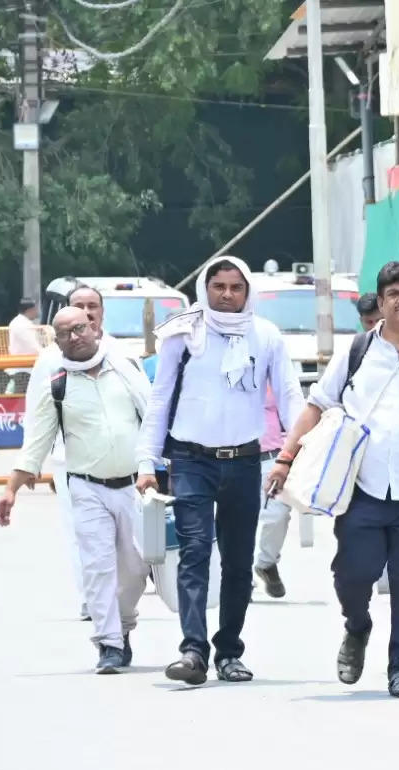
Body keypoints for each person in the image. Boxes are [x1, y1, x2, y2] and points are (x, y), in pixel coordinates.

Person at [266, 262, 399, 700]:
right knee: (353, 573)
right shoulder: (358, 351)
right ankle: (357, 626)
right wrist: (286, 458)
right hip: (361, 489)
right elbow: (316, 404)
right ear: (381, 303)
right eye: (394, 293)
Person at [135, 256, 302, 687]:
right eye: (218, 287)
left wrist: (296, 455)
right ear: (204, 289)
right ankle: (193, 651)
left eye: (235, 287)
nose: (226, 295)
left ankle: (229, 650)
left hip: (246, 462)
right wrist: (146, 462)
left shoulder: (265, 336)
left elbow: (289, 398)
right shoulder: (182, 334)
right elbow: (159, 399)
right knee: (194, 552)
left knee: (239, 561)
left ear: (248, 291)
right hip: (191, 461)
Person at [0, 307, 151, 673]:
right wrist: (11, 489)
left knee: (135, 569)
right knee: (97, 567)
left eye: (80, 328)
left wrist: (158, 469)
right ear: (57, 341)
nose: (74, 336)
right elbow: (36, 441)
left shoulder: (126, 369)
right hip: (86, 488)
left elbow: (153, 419)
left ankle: (124, 625)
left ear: (94, 328)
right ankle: (108, 644)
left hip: (134, 486)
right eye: (64, 333)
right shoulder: (57, 384)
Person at [252, 345, 303, 600]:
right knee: (235, 521)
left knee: (278, 515)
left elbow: (296, 410)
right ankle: (240, 580)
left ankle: (265, 562)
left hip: (273, 456)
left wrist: (293, 452)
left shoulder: (277, 375)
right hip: (232, 458)